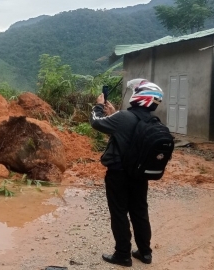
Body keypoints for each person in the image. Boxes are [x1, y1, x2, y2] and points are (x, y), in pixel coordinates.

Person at [89, 78, 164, 267]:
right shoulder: (153, 121)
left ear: (138, 97)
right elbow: (130, 133)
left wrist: (98, 106)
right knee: (140, 212)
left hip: (118, 174)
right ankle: (145, 253)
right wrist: (114, 114)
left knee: (119, 212)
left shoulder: (123, 117)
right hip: (140, 174)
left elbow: (96, 123)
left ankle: (122, 254)